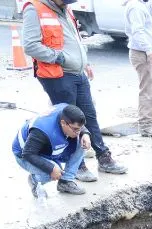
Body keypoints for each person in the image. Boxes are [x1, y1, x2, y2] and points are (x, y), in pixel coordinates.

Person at [22, 0, 128, 176]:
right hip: (58, 75)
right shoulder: (35, 8)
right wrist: (61, 58)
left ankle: (103, 156)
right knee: (70, 122)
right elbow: (31, 46)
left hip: (77, 72)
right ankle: (77, 166)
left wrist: (83, 62)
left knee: (88, 116)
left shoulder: (65, 8)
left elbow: (74, 39)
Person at [13, 103, 91, 197]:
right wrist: (51, 168)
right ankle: (34, 181)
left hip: (48, 146)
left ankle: (66, 182)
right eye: (75, 129)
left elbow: (79, 126)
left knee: (83, 142)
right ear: (63, 123)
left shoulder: (67, 111)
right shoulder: (41, 130)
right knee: (51, 173)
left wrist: (85, 133)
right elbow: (28, 154)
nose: (78, 132)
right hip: (24, 154)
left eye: (80, 128)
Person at [124, 0, 152, 136]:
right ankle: (145, 126)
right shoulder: (136, 7)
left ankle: (149, 123)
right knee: (148, 90)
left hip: (146, 52)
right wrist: (149, 51)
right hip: (142, 53)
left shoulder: (140, 5)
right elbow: (137, 31)